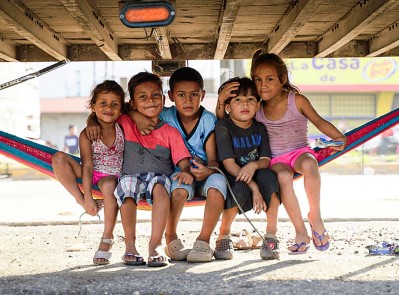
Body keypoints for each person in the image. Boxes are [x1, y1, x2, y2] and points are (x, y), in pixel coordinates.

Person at [217, 52, 347, 254]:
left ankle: (315, 216)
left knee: (310, 165)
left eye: (270, 79)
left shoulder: (297, 101)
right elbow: (228, 120)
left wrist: (341, 137)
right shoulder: (255, 106)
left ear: (282, 79)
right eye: (258, 80)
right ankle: (300, 231)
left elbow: (319, 121)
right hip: (275, 160)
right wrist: (221, 100)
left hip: (299, 152)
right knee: (284, 177)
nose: (263, 85)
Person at [132, 67, 228, 263]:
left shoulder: (208, 120)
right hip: (179, 173)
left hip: (205, 173)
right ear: (170, 96)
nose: (188, 100)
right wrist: (136, 116)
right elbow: (128, 107)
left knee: (218, 182)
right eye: (181, 95)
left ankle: (203, 240)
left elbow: (213, 159)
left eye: (194, 94)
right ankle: (171, 237)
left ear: (202, 95)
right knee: (178, 189)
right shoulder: (165, 115)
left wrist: (207, 171)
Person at [52, 80, 126, 265]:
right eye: (103, 103)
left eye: (114, 104)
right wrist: (86, 197)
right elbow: (87, 166)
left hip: (115, 175)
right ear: (92, 105)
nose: (108, 108)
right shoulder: (87, 134)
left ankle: (107, 238)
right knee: (58, 158)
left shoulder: (124, 126)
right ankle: (80, 200)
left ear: (121, 109)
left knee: (109, 185)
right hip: (93, 173)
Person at [214, 77, 281, 260]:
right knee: (239, 187)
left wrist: (253, 165)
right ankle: (224, 234)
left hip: (256, 172)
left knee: (271, 179)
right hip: (234, 175)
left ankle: (271, 236)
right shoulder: (223, 126)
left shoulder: (260, 128)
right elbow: (229, 164)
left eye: (250, 99)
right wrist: (254, 187)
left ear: (258, 105)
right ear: (228, 107)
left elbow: (265, 160)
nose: (245, 104)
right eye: (238, 100)